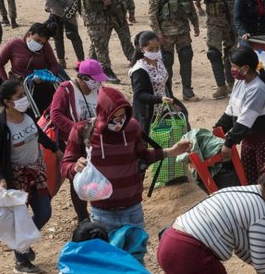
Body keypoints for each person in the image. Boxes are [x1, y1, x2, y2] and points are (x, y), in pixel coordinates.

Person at [61, 87, 189, 236]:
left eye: (123, 116)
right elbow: (65, 165)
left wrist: (172, 151)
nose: (119, 122)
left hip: (133, 210)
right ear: (103, 113)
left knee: (134, 257)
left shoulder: (132, 127)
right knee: (110, 258)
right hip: (102, 213)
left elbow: (143, 156)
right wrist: (74, 167)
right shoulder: (82, 131)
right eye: (114, 117)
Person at [0, 80, 61, 274]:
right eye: (19, 96)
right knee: (19, 219)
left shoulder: (26, 114)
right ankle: (21, 260)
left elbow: (38, 133)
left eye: (23, 95)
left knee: (44, 212)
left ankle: (22, 243)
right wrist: (1, 179)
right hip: (15, 179)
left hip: (35, 173)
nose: (24, 99)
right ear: (7, 102)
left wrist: (55, 148)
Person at [214, 46, 265, 241]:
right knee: (247, 181)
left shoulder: (258, 88)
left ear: (245, 68)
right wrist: (217, 128)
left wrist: (228, 143)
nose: (232, 69)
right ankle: (256, 220)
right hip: (249, 139)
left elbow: (245, 119)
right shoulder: (240, 84)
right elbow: (231, 110)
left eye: (234, 66)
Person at [50, 60, 108, 224]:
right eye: (94, 80)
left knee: (98, 175)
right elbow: (56, 114)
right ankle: (82, 216)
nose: (98, 83)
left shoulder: (99, 90)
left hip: (94, 141)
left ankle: (101, 209)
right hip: (71, 141)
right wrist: (77, 131)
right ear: (82, 78)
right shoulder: (66, 89)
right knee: (78, 177)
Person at [148, 0, 200, 101]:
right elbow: (152, 13)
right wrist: (158, 33)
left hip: (183, 31)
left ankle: (188, 91)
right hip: (166, 33)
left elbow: (190, 6)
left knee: (186, 57)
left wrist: (195, 24)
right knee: (167, 62)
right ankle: (167, 93)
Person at [194, 0, 244, 99]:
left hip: (231, 24)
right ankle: (221, 86)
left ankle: (231, 84)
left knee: (231, 53)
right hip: (214, 23)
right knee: (213, 53)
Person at [79, 0, 135, 82]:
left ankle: (88, 68)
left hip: (104, 14)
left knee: (98, 42)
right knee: (100, 44)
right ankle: (105, 70)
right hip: (94, 16)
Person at [128, 30, 173, 135]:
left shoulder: (160, 61)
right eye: (150, 49)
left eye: (157, 48)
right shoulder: (139, 70)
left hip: (163, 109)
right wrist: (159, 99)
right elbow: (139, 95)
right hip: (147, 114)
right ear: (142, 49)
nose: (155, 52)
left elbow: (165, 83)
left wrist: (172, 100)